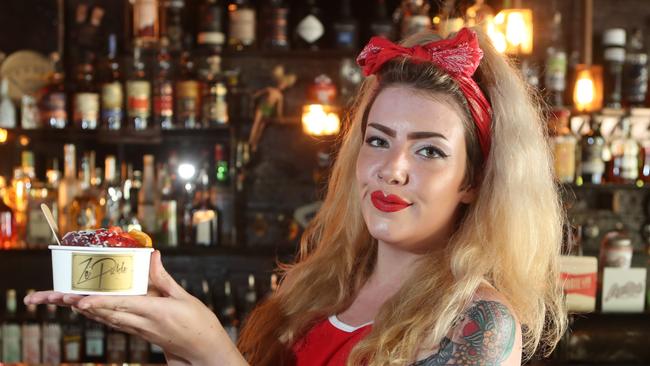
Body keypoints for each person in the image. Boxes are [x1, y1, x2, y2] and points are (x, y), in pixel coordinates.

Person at [25, 27, 567, 365]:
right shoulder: (318, 289)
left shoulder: (478, 325)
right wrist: (176, 336)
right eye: (377, 141)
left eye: (429, 152)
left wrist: (212, 350)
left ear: (473, 180)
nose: (390, 170)